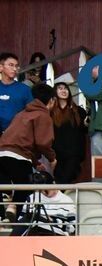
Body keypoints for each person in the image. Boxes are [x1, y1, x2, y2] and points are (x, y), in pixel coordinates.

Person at [0, 81, 54, 216]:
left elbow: (19, 139)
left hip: (2, 153)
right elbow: (42, 143)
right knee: (25, 187)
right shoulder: (43, 115)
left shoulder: (21, 113)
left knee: (4, 187)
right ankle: (13, 212)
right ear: (51, 100)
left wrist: (36, 163)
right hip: (18, 157)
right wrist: (52, 158)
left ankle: (4, 214)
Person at [45, 79, 86, 185]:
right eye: (60, 88)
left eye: (66, 88)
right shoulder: (50, 112)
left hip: (73, 153)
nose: (64, 91)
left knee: (67, 178)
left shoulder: (78, 111)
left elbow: (83, 131)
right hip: (57, 153)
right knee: (59, 179)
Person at [0, 53, 30, 133]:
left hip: (17, 134)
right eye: (11, 65)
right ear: (1, 67)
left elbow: (31, 113)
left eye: (16, 66)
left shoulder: (24, 89)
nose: (14, 69)